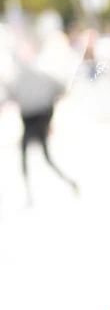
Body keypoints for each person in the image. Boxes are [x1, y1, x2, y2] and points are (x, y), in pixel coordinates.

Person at [7, 60, 78, 203]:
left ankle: (31, 195)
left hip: (35, 120)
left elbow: (60, 88)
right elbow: (61, 88)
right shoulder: (35, 76)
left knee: (35, 157)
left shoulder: (26, 78)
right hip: (37, 119)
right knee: (39, 157)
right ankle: (30, 194)